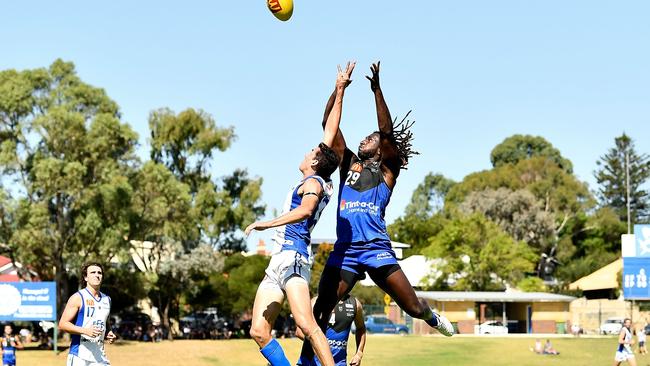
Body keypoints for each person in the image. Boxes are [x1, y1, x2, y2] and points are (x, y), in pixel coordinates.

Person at [299, 60, 454, 362]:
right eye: (364, 139)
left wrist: (376, 90)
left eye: (370, 139)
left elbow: (386, 132)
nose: (364, 140)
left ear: (381, 149)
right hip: (346, 251)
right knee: (320, 311)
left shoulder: (387, 170)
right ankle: (306, 361)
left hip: (376, 250)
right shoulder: (348, 164)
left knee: (413, 308)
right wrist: (338, 89)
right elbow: (327, 124)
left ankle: (432, 317)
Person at [244, 62, 355, 366]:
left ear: (316, 162)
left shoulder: (313, 182)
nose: (307, 152)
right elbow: (331, 130)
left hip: (293, 257)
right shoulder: (319, 175)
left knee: (306, 325)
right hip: (277, 261)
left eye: (312, 151)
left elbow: (306, 211)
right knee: (258, 330)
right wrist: (340, 90)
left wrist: (267, 223)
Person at [58, 262, 116, 366]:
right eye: (93, 272)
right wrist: (85, 331)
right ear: (85, 277)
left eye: (99, 273)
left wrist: (109, 333)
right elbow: (62, 324)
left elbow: (105, 322)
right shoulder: (78, 297)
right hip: (79, 356)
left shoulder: (107, 300)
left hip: (99, 356)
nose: (97, 275)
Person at [296, 294, 366, 366]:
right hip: (311, 363)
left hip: (339, 363)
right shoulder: (316, 302)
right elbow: (299, 331)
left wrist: (359, 353)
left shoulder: (355, 304)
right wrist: (320, 343)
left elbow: (361, 328)